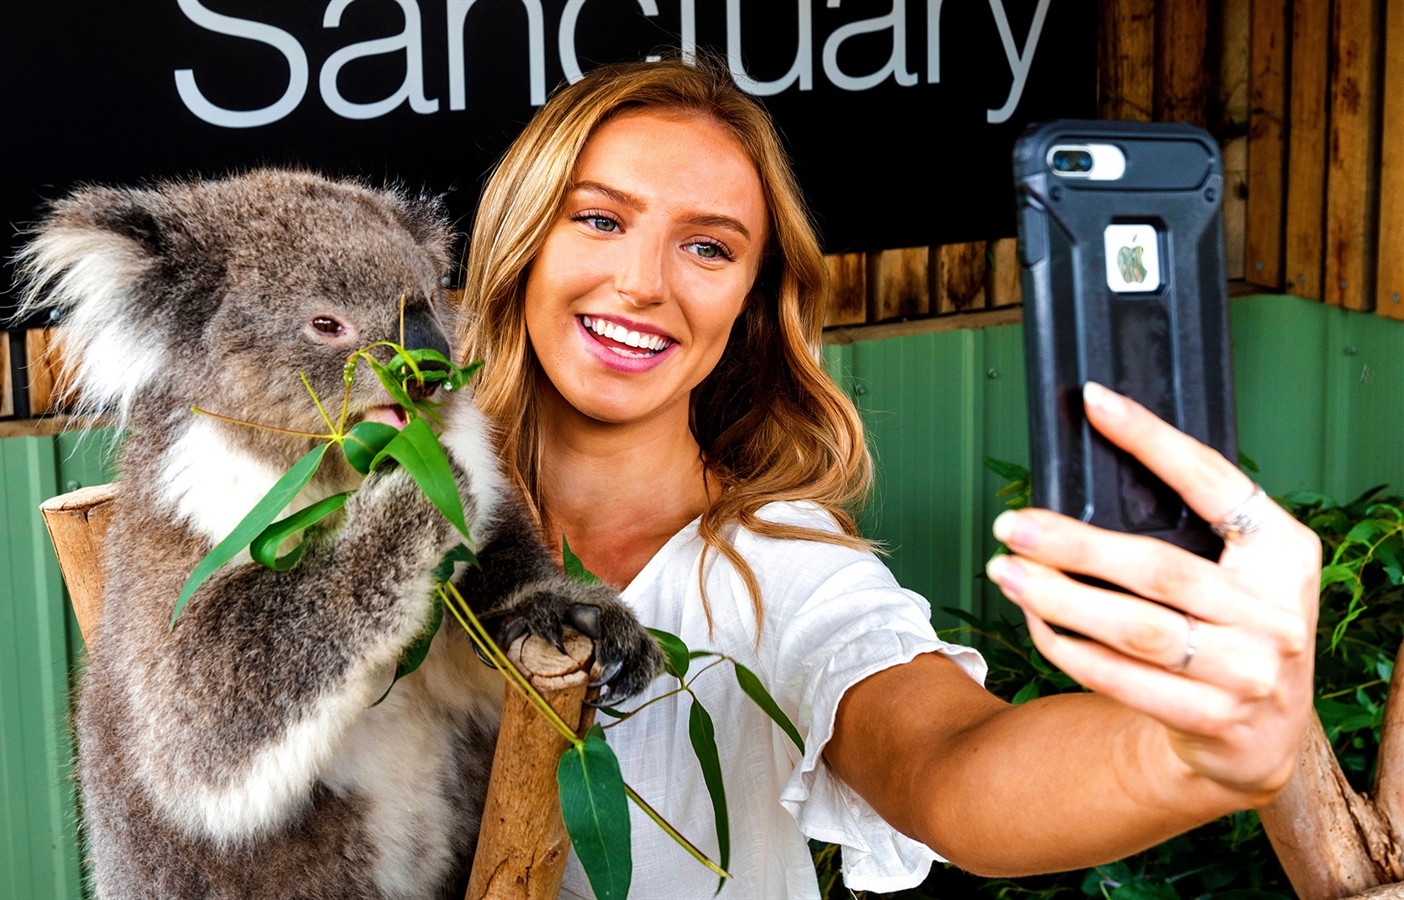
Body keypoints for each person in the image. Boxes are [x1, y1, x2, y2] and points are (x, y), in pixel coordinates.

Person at [454, 58, 1321, 899]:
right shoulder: (384, 514)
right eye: (600, 221)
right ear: (521, 238)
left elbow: (949, 769)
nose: (641, 283)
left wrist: (1182, 753)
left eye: (708, 247)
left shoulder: (780, 572)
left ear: (751, 302)